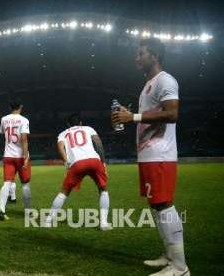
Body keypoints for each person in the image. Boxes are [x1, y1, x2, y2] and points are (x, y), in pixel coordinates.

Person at [111, 38, 189, 276]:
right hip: (149, 154)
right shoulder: (148, 85)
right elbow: (151, 116)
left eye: (141, 53)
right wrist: (130, 117)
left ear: (154, 56)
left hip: (161, 154)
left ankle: (180, 267)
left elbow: (172, 114)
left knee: (164, 204)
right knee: (156, 205)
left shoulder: (165, 80)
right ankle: (169, 255)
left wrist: (132, 117)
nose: (137, 58)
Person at [44, 113, 112, 230]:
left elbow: (60, 147)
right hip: (94, 160)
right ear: (80, 122)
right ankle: (104, 223)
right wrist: (103, 162)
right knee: (103, 190)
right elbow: (98, 144)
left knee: (64, 193)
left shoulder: (63, 133)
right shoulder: (88, 128)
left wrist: (66, 162)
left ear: (68, 124)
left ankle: (49, 221)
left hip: (77, 163)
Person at [0, 100, 32, 220]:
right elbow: (23, 139)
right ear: (21, 106)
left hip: (8, 155)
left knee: (6, 183)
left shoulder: (4, 119)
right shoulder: (24, 120)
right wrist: (26, 157)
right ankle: (28, 211)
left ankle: (2, 209)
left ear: (9, 107)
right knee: (25, 184)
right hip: (20, 156)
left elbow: (2, 133)